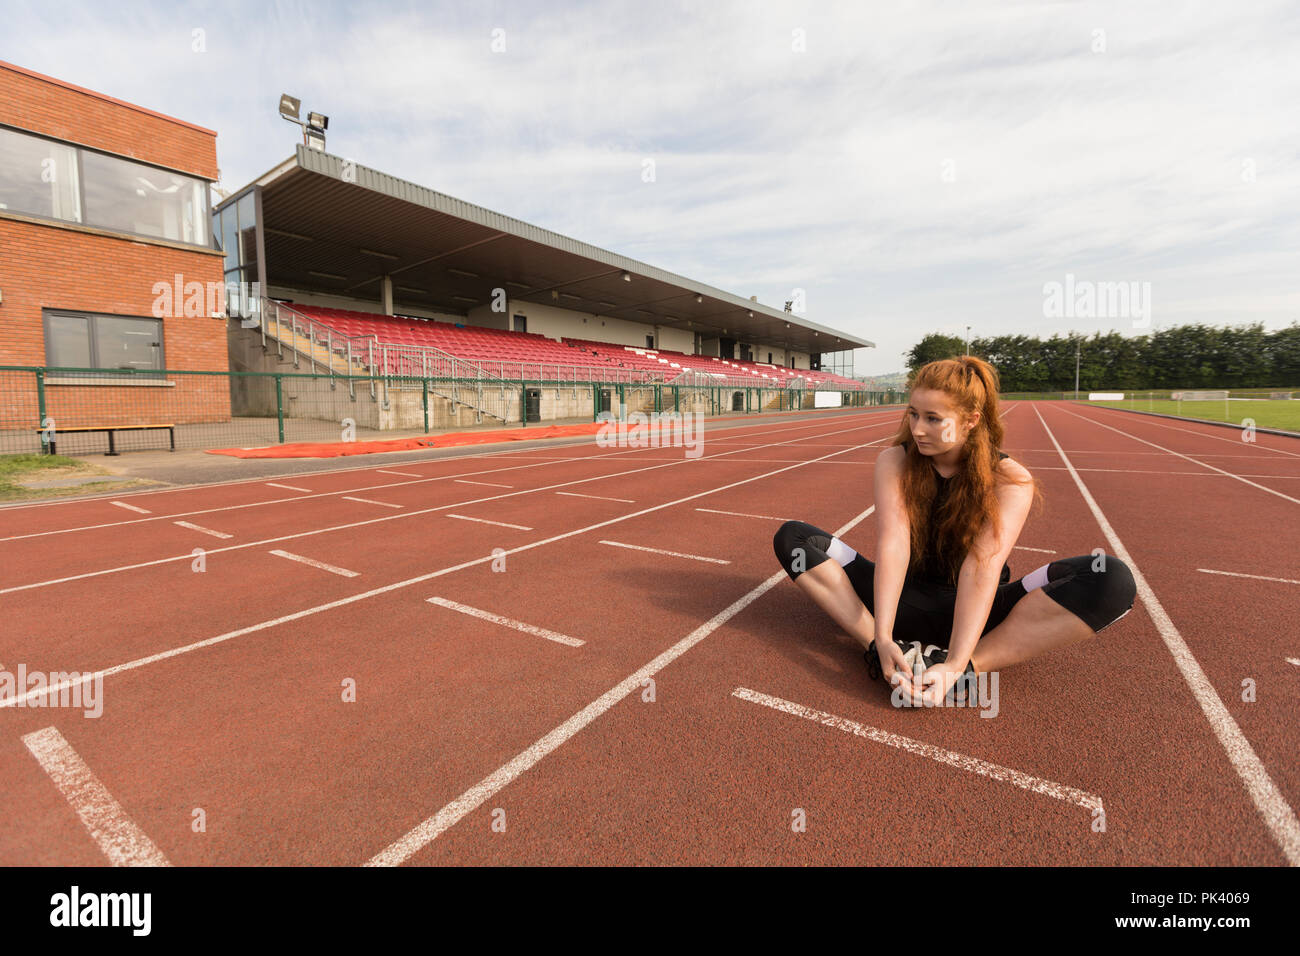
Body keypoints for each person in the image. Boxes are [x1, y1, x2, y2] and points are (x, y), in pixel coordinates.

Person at [772, 355, 1137, 707]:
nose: (917, 429)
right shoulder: (895, 461)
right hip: (902, 603)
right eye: (913, 414)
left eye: (933, 418)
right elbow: (894, 546)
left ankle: (967, 668)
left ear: (971, 420)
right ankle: (881, 651)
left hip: (980, 614)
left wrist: (957, 662)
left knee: (1111, 578)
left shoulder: (1010, 479)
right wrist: (880, 637)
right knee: (794, 538)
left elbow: (982, 567)